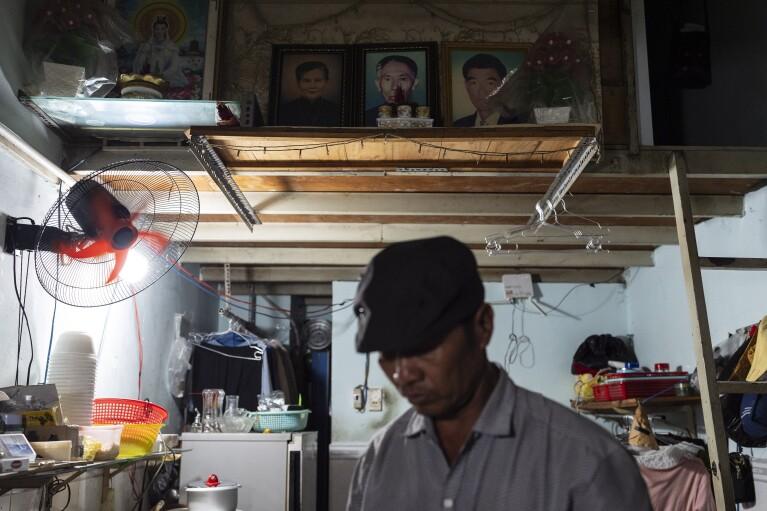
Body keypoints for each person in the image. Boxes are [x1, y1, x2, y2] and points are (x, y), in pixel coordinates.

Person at [347, 236, 652, 511]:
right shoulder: (377, 460)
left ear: (483, 326)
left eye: (423, 346)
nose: (403, 374)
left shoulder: (589, 463)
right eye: (388, 353)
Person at [453, 53, 518, 127]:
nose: (482, 92)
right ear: (466, 86)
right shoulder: (458, 126)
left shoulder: (519, 124)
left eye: (490, 83)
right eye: (474, 83)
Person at [278, 61, 339, 127]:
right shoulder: (284, 110)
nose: (312, 86)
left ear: (326, 82)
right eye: (306, 81)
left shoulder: (336, 110)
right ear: (298, 83)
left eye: (318, 80)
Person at [364, 55, 419, 126]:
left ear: (414, 83)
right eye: (387, 79)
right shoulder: (367, 117)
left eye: (403, 79)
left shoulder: (423, 117)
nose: (395, 87)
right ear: (378, 84)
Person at [132, 15, 186, 87]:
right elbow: (138, 64)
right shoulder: (146, 45)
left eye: (162, 29)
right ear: (153, 30)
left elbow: (174, 66)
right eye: (157, 29)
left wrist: (162, 75)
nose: (159, 31)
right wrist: (145, 52)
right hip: (148, 77)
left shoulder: (171, 47)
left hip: (167, 78)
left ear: (166, 30)